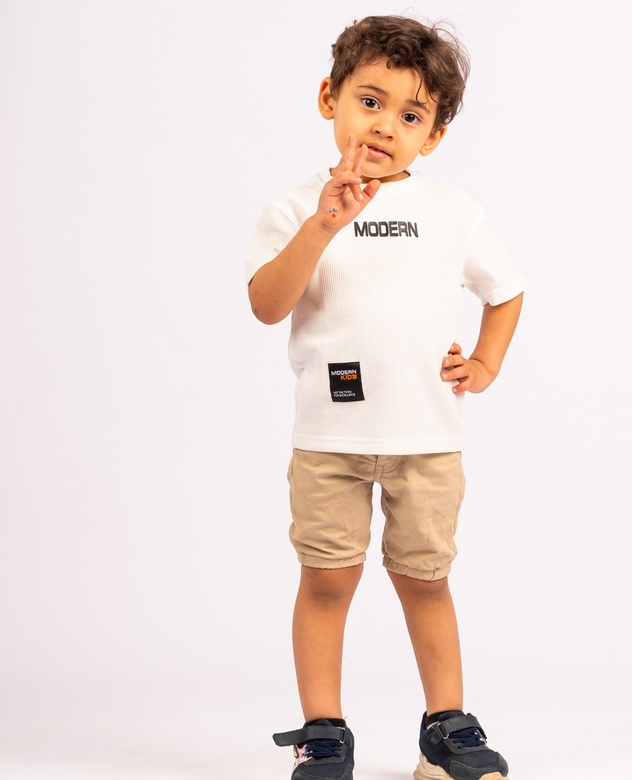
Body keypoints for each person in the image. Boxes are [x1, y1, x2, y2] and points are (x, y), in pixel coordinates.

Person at [244, 14, 525, 780]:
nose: (385, 126)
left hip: (427, 438)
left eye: (411, 115)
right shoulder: (294, 206)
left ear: (431, 137)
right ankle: (324, 731)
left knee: (425, 579)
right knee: (328, 579)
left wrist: (488, 362)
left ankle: (445, 729)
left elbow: (506, 290)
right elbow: (268, 304)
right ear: (329, 98)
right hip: (328, 437)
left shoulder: (452, 211)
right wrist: (323, 224)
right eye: (369, 102)